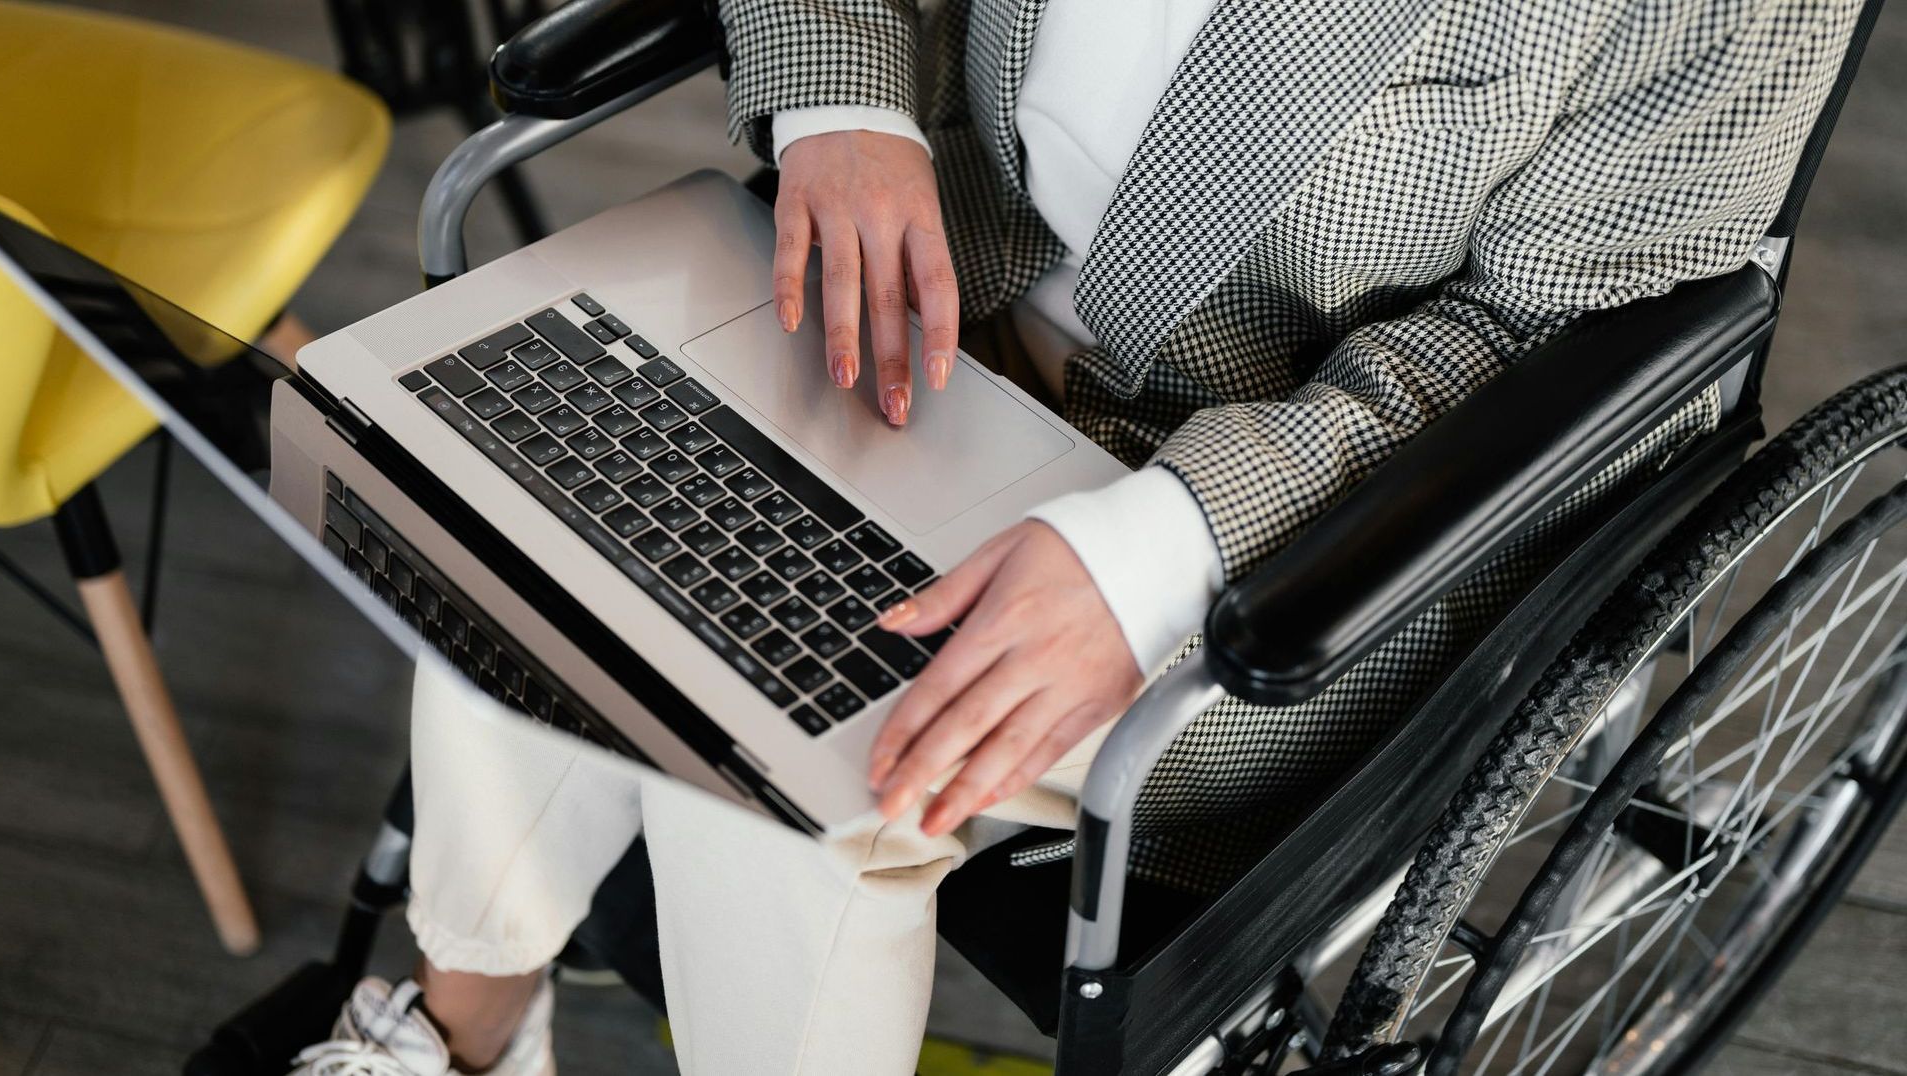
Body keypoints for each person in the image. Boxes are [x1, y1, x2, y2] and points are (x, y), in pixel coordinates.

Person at [288, 0, 1865, 1072]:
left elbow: (1552, 330)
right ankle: (460, 1028)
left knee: (804, 761)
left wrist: (1158, 549)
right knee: (524, 491)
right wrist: (844, 97)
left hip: (1269, 482)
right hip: (915, 284)